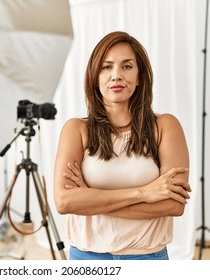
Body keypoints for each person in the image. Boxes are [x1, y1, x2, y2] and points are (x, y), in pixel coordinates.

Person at [53, 31, 191, 260]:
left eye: (127, 66)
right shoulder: (76, 129)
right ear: (95, 77)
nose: (116, 75)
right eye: (107, 67)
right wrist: (144, 193)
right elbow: (64, 202)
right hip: (87, 258)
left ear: (139, 77)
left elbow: (173, 205)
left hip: (147, 258)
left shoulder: (165, 126)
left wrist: (90, 199)